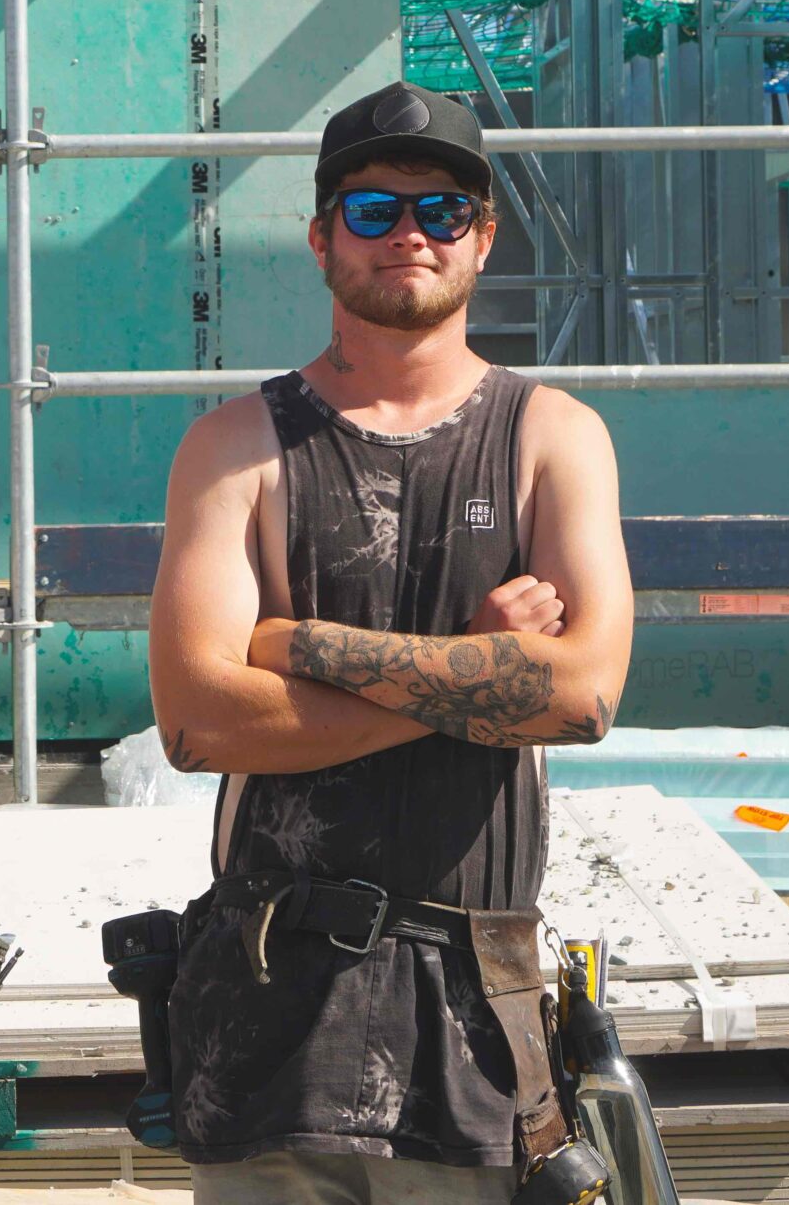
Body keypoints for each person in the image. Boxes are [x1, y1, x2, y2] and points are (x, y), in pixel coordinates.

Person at [146, 81, 635, 1204]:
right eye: (372, 210)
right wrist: (473, 665)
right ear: (322, 236)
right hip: (270, 1015)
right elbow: (198, 722)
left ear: (483, 237)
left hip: (475, 1018)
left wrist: (295, 642)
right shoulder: (235, 447)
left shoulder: (549, 436)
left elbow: (579, 695)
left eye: (443, 210)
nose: (408, 232)